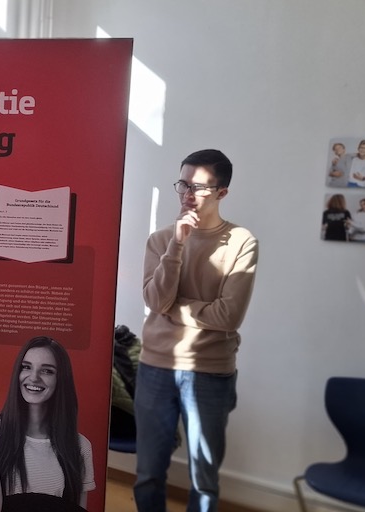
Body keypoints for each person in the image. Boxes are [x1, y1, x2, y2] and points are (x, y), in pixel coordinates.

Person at [135, 149, 259, 512]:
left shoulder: (242, 241)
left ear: (222, 192)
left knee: (204, 478)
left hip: (209, 371)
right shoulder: (161, 239)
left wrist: (173, 308)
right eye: (183, 184)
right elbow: (155, 299)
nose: (187, 194)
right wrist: (177, 244)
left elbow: (228, 316)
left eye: (199, 187)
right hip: (155, 367)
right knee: (148, 474)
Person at [0, 336, 94, 512]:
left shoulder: (80, 446)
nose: (34, 377)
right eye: (26, 367)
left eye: (47, 371)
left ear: (61, 379)